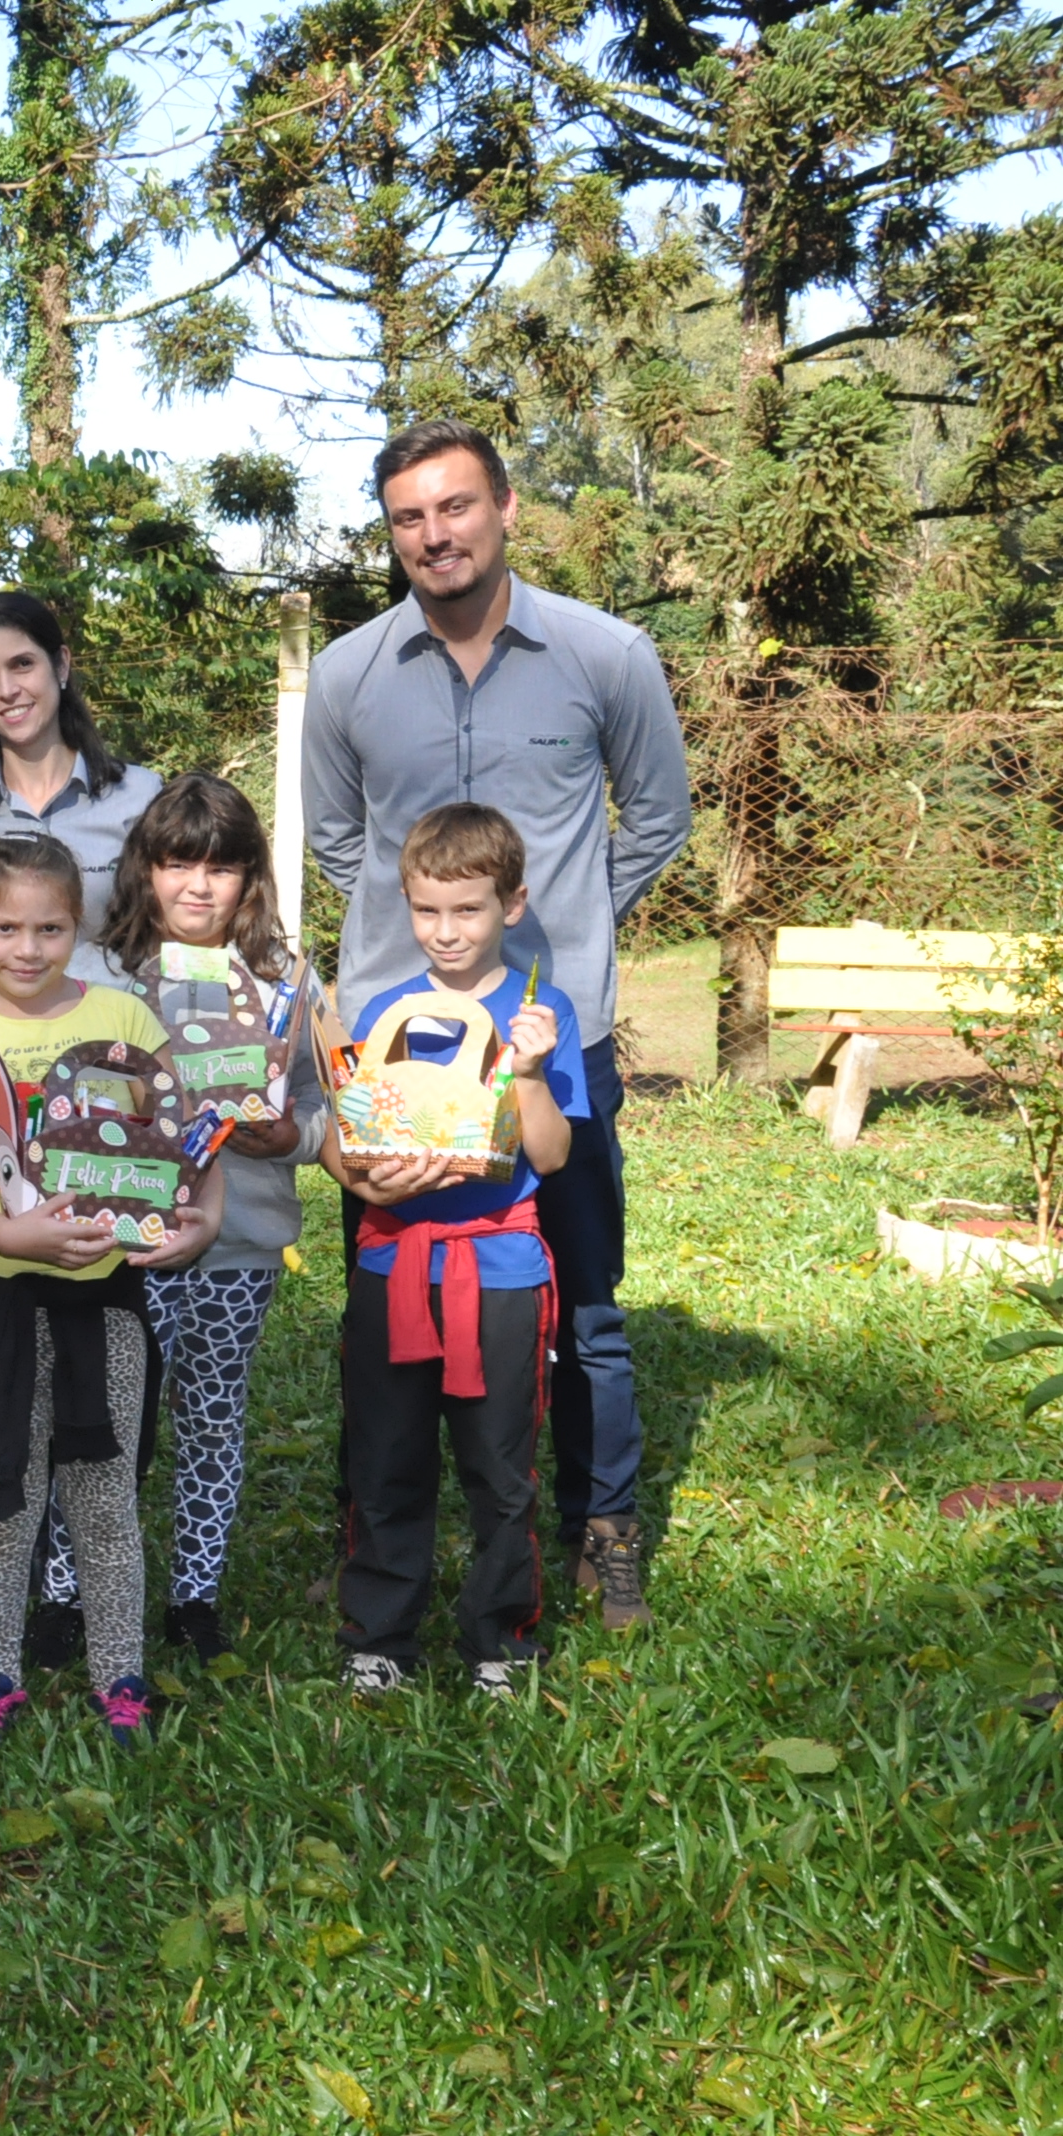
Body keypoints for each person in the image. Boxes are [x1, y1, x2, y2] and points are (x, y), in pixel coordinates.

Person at [302, 418, 690, 1629]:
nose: (435, 535)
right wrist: (411, 960)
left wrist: (565, 935)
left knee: (581, 1294)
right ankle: (382, 1536)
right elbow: (336, 841)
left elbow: (659, 816)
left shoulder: (606, 653)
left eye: (456, 508)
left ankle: (601, 1527)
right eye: (410, 518)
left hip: (545, 1045)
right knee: (388, 1289)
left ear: (507, 507)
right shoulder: (349, 674)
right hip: (400, 1047)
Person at [0, 835, 217, 1750]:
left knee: (105, 1500)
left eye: (50, 927)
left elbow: (188, 1138)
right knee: (0, 1495)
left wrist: (200, 1218)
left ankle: (120, 1677)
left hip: (106, 1304)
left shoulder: (127, 1021)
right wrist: (13, 1235)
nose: (27, 947)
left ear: (77, 927)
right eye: (6, 927)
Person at [323, 804, 583, 1696]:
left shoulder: (541, 1012)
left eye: (467, 911)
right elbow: (349, 1143)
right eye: (427, 911)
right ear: (406, 903)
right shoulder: (389, 1010)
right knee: (385, 1456)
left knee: (498, 1463)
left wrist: (534, 1072)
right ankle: (382, 1637)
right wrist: (362, 1181)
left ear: (512, 905)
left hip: (501, 1270)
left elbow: (549, 1156)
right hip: (393, 1265)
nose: (445, 932)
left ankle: (498, 1640)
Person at [94, 774, 326, 1662]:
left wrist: (288, 1137)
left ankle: (195, 1595)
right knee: (108, 1419)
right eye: (178, 863)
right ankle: (76, 1592)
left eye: (222, 868)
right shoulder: (105, 974)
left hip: (241, 1246)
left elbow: (322, 1103)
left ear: (251, 879)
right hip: (125, 1248)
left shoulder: (285, 981)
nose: (199, 886)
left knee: (213, 1414)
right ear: (145, 870)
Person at [0, 592, 163, 986]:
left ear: (61, 664)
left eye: (22, 664)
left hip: (119, 1041)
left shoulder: (139, 797)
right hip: (2, 1045)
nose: (6, 690)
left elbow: (186, 927)